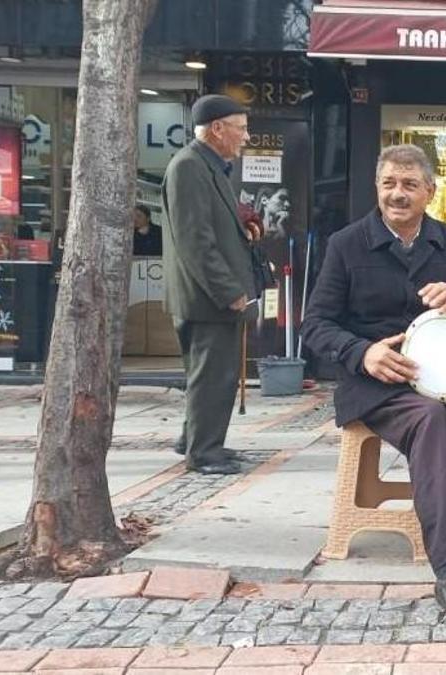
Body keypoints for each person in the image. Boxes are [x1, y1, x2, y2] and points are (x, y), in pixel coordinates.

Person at [301, 144, 446, 629]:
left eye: (408, 185)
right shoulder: (347, 244)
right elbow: (315, 324)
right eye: (388, 184)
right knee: (429, 417)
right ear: (377, 188)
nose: (397, 194)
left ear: (429, 191)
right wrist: (364, 353)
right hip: (380, 385)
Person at [161, 94, 256, 476]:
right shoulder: (189, 167)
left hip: (209, 297)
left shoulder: (209, 166)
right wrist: (228, 290)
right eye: (241, 128)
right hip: (206, 298)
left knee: (211, 374)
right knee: (212, 376)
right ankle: (203, 453)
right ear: (218, 129)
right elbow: (195, 241)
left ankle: (197, 439)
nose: (246, 136)